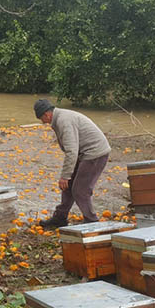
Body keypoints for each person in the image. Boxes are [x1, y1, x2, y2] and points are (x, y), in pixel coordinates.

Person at [34, 98, 111, 228]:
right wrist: (67, 177)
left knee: (80, 190)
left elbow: (71, 151)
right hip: (84, 153)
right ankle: (60, 218)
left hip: (95, 153)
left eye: (42, 119)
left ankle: (92, 221)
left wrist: (65, 175)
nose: (43, 122)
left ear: (47, 114)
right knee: (68, 187)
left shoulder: (64, 121)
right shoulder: (59, 117)